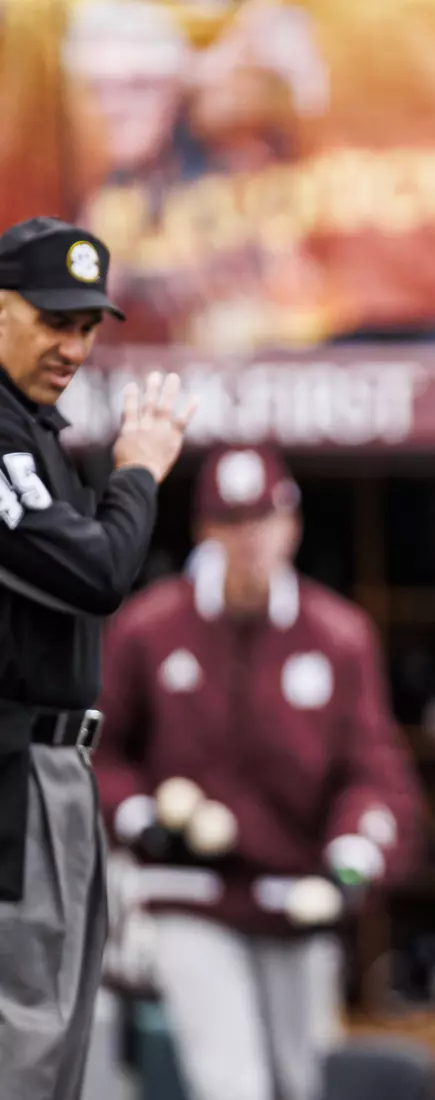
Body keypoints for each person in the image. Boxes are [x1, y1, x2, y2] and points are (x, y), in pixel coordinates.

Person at [94, 444, 423, 1100]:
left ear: (292, 525)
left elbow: (374, 771)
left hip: (295, 896)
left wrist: (352, 861)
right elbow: (101, 753)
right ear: (205, 532)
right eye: (232, 523)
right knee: (233, 1086)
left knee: (304, 1082)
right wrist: (144, 818)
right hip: (188, 891)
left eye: (264, 520)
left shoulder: (337, 635)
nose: (250, 540)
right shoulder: (149, 628)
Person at [0, 215, 193, 1100]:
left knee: (55, 1043)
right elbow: (97, 573)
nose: (72, 344)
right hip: (14, 769)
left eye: (86, 325)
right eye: (52, 319)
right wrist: (139, 472)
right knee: (23, 1041)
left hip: (52, 765)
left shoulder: (34, 428)